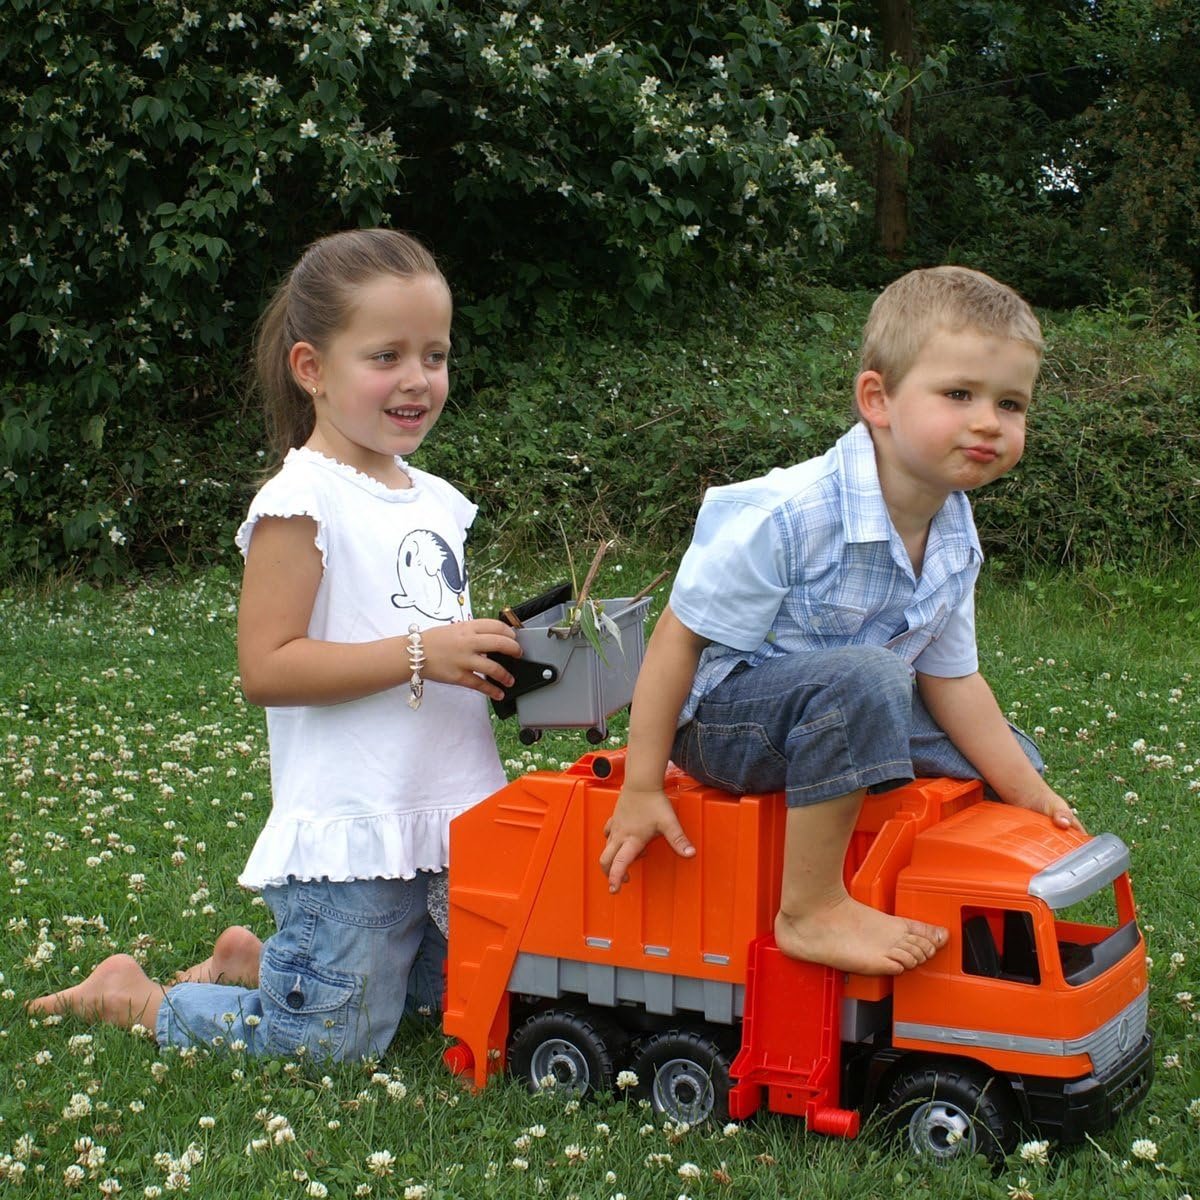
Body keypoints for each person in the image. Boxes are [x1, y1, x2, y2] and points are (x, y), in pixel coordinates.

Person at [29, 228, 523, 1059]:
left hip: (451, 815)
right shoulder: (302, 499)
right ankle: (136, 997)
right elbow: (268, 666)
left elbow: (423, 638)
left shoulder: (438, 499)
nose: (417, 379)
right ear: (312, 370)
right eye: (386, 356)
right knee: (325, 1049)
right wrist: (420, 652)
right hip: (355, 826)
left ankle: (255, 961)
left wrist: (483, 653)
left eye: (434, 355)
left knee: (450, 1011)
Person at [599, 265, 1082, 978]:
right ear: (877, 400)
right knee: (871, 677)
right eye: (959, 394)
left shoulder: (954, 534)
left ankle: (951, 898)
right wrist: (642, 786)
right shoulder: (791, 512)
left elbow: (953, 680)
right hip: (728, 723)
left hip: (847, 704)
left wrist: (1029, 792)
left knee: (1006, 755)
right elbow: (679, 638)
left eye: (1011, 403)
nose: (989, 421)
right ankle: (812, 909)